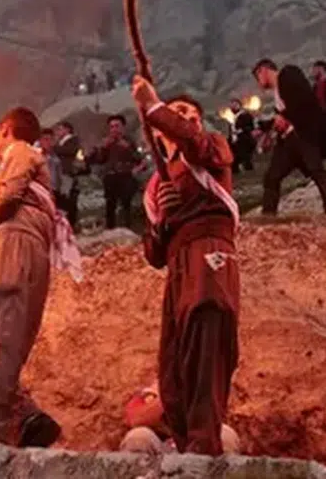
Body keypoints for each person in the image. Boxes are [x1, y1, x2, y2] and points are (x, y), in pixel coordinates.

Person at [133, 78, 241, 456]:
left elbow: (193, 142)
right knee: (173, 362)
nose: (189, 121)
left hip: (209, 251)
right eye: (180, 114)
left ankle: (203, 447)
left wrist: (154, 106)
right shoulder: (155, 184)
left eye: (194, 116)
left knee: (205, 341)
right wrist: (161, 220)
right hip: (177, 264)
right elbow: (153, 254)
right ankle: (186, 446)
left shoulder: (211, 148)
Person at [0, 106, 61, 447]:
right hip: (22, 245)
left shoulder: (19, 151)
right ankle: (28, 420)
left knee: (0, 339)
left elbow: (10, 194)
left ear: (5, 129)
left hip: (16, 245)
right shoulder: (30, 157)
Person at [251, 59, 326, 216]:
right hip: (288, 141)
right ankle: (268, 214)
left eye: (258, 78)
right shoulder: (278, 93)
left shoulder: (289, 74)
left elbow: (303, 101)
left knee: (317, 171)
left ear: (263, 71)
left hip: (304, 135)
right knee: (272, 176)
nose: (259, 83)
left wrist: (284, 117)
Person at [119, 384, 240, 455]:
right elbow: (134, 419)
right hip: (158, 453)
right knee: (139, 437)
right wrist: (167, 395)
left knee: (225, 435)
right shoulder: (152, 392)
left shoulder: (210, 383)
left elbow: (219, 416)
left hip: (199, 453)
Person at [89, 114, 141, 230]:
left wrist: (127, 148)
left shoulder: (129, 141)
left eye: (117, 126)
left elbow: (138, 158)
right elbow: (99, 160)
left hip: (126, 177)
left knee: (126, 205)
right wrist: (102, 149)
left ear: (123, 127)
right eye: (112, 127)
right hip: (110, 177)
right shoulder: (106, 142)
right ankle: (110, 229)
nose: (114, 129)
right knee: (110, 205)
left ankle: (128, 229)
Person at [53, 122, 84, 227]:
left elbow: (69, 151)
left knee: (68, 198)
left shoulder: (73, 140)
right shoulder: (60, 142)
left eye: (60, 129)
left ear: (67, 130)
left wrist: (54, 148)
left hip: (68, 173)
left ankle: (71, 223)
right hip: (60, 173)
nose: (58, 132)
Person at [226, 98, 257, 173]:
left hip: (244, 140)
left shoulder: (245, 115)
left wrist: (241, 130)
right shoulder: (232, 118)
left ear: (240, 106)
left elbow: (251, 126)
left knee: (243, 157)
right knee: (236, 156)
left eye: (235, 105)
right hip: (235, 140)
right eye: (232, 106)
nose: (233, 107)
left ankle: (248, 173)